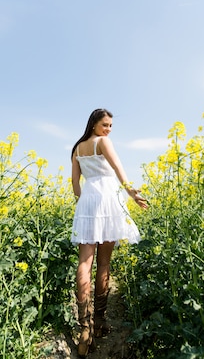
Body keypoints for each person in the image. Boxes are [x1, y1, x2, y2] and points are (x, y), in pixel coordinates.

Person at [70, 108, 148, 357]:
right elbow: (117, 167)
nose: (109, 129)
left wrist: (84, 204)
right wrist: (132, 192)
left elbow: (75, 185)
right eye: (105, 124)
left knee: (84, 262)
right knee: (103, 264)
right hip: (107, 200)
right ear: (94, 124)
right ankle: (99, 322)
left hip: (88, 201)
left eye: (111, 126)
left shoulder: (77, 148)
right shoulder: (103, 142)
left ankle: (85, 327)